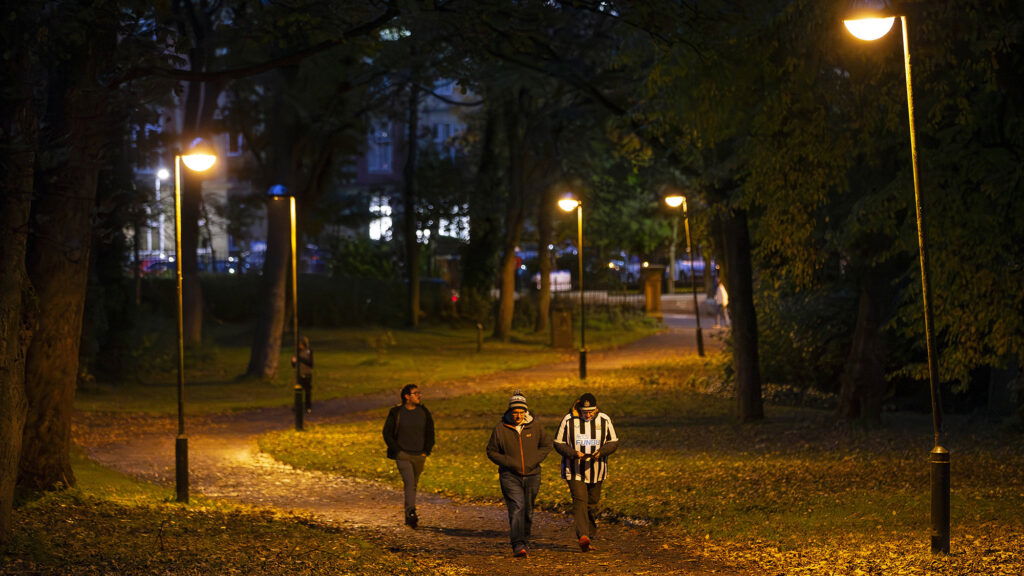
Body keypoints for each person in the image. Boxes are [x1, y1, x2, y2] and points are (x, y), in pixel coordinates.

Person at [486, 391, 551, 558]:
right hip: (510, 475)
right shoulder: (500, 429)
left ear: (526, 412)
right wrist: (508, 462)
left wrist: (533, 461)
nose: (518, 416)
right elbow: (491, 451)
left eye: (521, 412)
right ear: (510, 412)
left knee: (528, 510)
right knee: (517, 508)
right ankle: (517, 544)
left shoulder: (535, 426)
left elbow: (546, 445)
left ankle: (525, 540)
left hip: (533, 474)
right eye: (515, 412)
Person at [553, 392, 619, 552]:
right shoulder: (568, 420)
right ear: (579, 409)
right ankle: (583, 535)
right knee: (580, 500)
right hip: (574, 469)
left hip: (597, 469)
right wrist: (574, 453)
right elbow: (558, 443)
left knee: (592, 502)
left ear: (596, 410)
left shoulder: (604, 419)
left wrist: (601, 452)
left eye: (591, 412)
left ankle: (589, 534)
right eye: (584, 412)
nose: (588, 415)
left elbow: (613, 441)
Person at [382, 384, 435, 529]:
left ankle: (408, 514)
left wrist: (426, 451)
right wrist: (398, 451)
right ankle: (411, 512)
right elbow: (387, 433)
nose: (419, 395)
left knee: (413, 484)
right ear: (407, 396)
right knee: (410, 484)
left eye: (419, 393)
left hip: (419, 455)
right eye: (416, 393)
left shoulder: (424, 412)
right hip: (403, 455)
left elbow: (430, 432)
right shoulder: (396, 412)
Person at [290, 336, 314, 413]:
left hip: (307, 373)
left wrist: (300, 358)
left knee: (307, 391)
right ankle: (298, 406)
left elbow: (310, 363)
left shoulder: (308, 351)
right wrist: (293, 362)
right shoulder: (297, 351)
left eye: (300, 344)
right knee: (298, 391)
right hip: (299, 373)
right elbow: (294, 365)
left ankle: (308, 407)